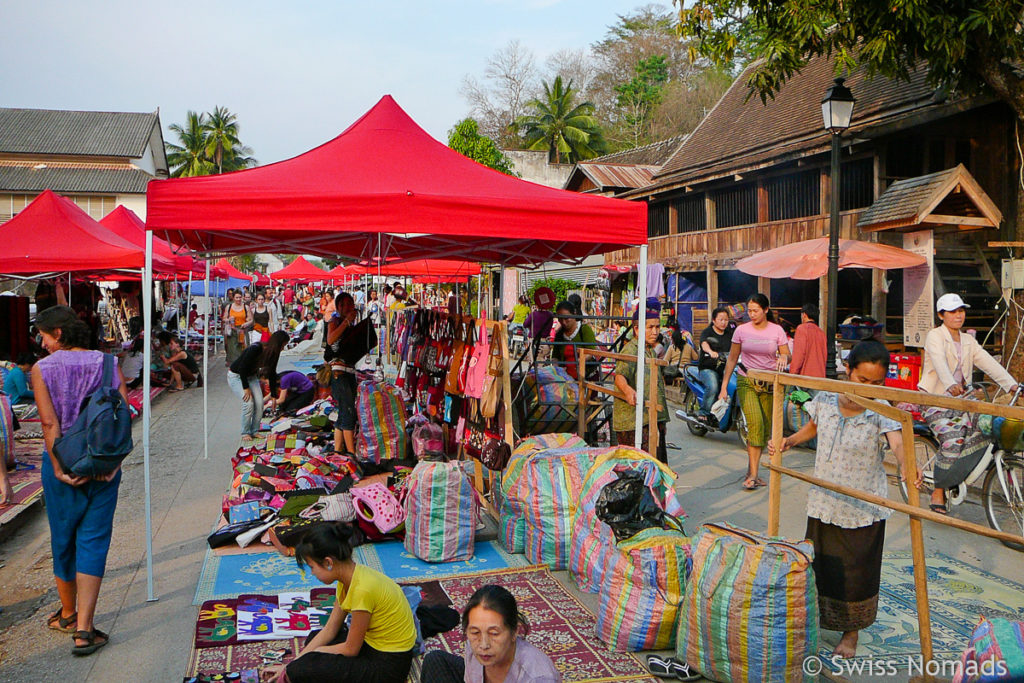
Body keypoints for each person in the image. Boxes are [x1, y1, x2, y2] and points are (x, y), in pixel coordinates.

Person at [771, 340, 921, 659]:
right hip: (825, 499)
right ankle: (813, 622)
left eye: (876, 383)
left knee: (856, 572)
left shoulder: (882, 407)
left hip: (862, 504)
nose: (868, 388)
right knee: (820, 565)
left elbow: (897, 442)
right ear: (848, 370)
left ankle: (850, 633)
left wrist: (907, 464)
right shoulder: (826, 396)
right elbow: (813, 427)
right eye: (862, 381)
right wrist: (788, 441)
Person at [30, 306, 127, 656]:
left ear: (58, 333)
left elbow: (49, 424)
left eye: (43, 335)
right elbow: (123, 415)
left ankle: (67, 613)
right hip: (102, 464)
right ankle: (85, 628)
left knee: (63, 538)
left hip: (62, 465)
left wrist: (57, 468)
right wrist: (114, 464)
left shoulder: (42, 369)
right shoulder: (107, 363)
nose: (41, 344)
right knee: (94, 540)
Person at [262, 525, 417, 683]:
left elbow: (351, 649)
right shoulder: (348, 579)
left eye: (312, 567)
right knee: (315, 639)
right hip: (371, 646)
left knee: (308, 666)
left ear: (328, 562)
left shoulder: (362, 589)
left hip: (388, 666)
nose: (312, 573)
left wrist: (313, 656)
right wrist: (294, 663)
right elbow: (330, 629)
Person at [919, 293, 1018, 513]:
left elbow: (988, 363)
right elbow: (939, 362)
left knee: (988, 426)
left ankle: (964, 474)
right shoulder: (935, 336)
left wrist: (1011, 385)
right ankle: (938, 490)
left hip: (964, 399)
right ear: (941, 315)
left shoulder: (968, 340)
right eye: (953, 312)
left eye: (961, 311)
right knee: (952, 440)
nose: (958, 315)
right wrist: (949, 385)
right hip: (936, 399)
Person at [718, 293, 790, 491]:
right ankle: (753, 474)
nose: (752, 314)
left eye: (755, 310)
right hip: (746, 380)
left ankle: (753, 472)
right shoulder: (741, 330)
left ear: (766, 310)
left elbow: (786, 354)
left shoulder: (777, 331)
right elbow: (732, 358)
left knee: (765, 428)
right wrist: (724, 386)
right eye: (749, 311)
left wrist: (784, 358)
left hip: (769, 384)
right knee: (755, 423)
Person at [420, 584, 561, 683]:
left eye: (494, 633)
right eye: (475, 632)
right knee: (435, 660)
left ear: (514, 632)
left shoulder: (538, 677)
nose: (483, 644)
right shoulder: (474, 647)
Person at [613, 303, 669, 464]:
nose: (655, 331)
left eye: (657, 327)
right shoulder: (631, 350)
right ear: (637, 329)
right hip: (633, 420)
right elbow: (619, 376)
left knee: (656, 464)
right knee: (639, 465)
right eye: (650, 327)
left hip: (651, 416)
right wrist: (628, 391)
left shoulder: (649, 350)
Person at [326, 292, 368, 455]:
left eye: (351, 303)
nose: (349, 307)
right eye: (345, 304)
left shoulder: (348, 324)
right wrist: (347, 322)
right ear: (338, 307)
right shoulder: (335, 321)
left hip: (348, 372)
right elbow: (330, 340)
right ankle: (350, 453)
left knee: (344, 412)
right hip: (340, 373)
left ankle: (338, 450)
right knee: (348, 413)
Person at [227, 330, 289, 439]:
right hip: (236, 376)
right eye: (283, 345)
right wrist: (246, 388)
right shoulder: (256, 348)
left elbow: (272, 372)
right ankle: (245, 432)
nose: (283, 348)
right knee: (248, 403)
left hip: (251, 377)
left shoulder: (273, 354)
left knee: (260, 403)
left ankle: (254, 430)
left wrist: (274, 395)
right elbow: (242, 368)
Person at [697, 307, 733, 422]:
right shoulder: (707, 332)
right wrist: (711, 352)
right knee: (713, 386)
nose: (724, 322)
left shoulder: (730, 333)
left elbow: (736, 346)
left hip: (725, 367)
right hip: (708, 368)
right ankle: (704, 412)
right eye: (721, 319)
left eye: (726, 320)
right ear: (714, 320)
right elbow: (704, 343)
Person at [552, 300, 598, 380]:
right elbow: (555, 356)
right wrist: (557, 369)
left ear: (574, 314)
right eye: (560, 319)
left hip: (585, 376)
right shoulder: (559, 334)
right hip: (565, 377)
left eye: (567, 318)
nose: (564, 322)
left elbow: (591, 352)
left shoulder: (584, 330)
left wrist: (577, 362)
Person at [790, 303, 827, 378]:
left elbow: (799, 355)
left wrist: (792, 374)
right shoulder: (821, 332)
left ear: (804, 315)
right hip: (820, 377)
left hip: (806, 377)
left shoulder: (802, 329)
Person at [222, 291, 253, 367]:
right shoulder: (229, 307)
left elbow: (251, 320)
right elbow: (224, 318)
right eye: (237, 297)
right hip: (232, 331)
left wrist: (246, 323)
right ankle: (233, 368)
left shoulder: (246, 307)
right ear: (233, 298)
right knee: (233, 351)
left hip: (242, 330)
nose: (238, 299)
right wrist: (228, 319)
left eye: (240, 297)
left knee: (244, 350)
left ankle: (243, 367)